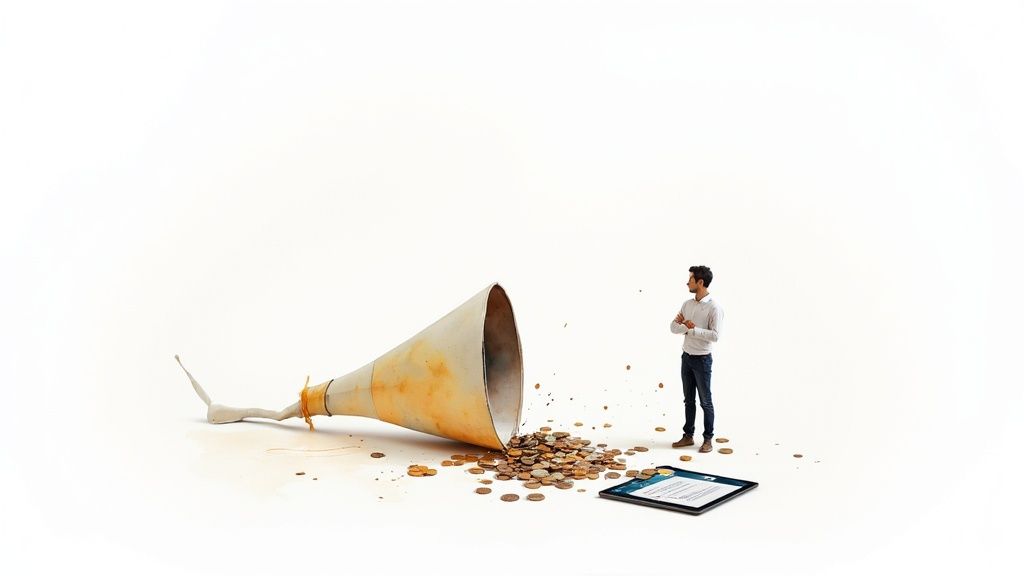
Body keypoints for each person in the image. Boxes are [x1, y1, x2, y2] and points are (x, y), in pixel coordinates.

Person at [669, 265, 724, 453]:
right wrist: (686, 327)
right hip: (686, 357)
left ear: (700, 282)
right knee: (688, 400)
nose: (687, 282)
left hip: (702, 360)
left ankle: (708, 439)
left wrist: (691, 329)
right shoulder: (687, 304)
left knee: (705, 401)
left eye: (690, 279)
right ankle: (688, 436)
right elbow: (672, 327)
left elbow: (716, 336)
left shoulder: (714, 307)